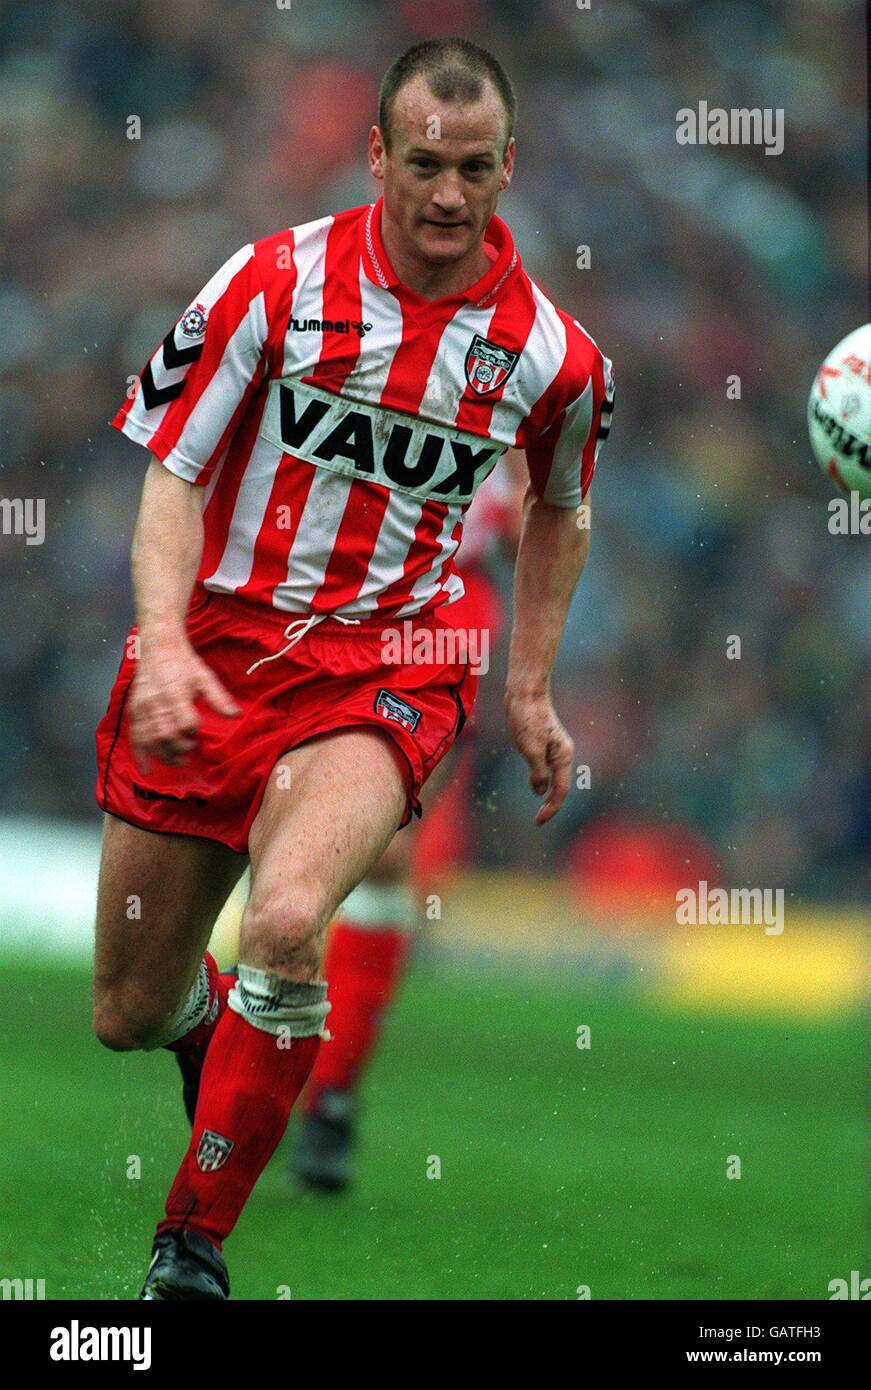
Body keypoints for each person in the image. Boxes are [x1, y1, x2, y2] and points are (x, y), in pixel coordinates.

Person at [92, 36, 615, 1300]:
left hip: (388, 666)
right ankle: (216, 1038)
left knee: (285, 919)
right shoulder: (268, 284)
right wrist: (162, 639)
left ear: (508, 168)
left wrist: (530, 686)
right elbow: (170, 470)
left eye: (474, 168)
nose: (447, 193)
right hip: (219, 649)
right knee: (129, 1007)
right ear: (377, 153)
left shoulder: (555, 357)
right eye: (424, 163)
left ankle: (191, 1246)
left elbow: (564, 508)